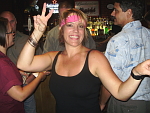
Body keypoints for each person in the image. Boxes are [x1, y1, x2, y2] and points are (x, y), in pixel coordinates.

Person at [17, 3, 150, 113]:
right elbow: (23, 64)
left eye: (80, 26)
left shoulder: (95, 58)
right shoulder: (54, 57)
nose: (76, 30)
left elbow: (121, 93)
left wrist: (136, 73)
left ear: (85, 31)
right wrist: (37, 32)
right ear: (61, 30)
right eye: (70, 25)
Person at [100, 0, 150, 113]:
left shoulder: (118, 40)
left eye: (116, 10)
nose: (112, 14)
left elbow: (109, 80)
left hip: (126, 104)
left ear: (129, 12)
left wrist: (102, 103)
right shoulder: (148, 33)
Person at [0, 17, 50, 113]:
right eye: (10, 32)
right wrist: (39, 76)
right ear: (2, 35)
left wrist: (16, 73)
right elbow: (20, 95)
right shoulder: (2, 64)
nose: (13, 34)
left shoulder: (3, 59)